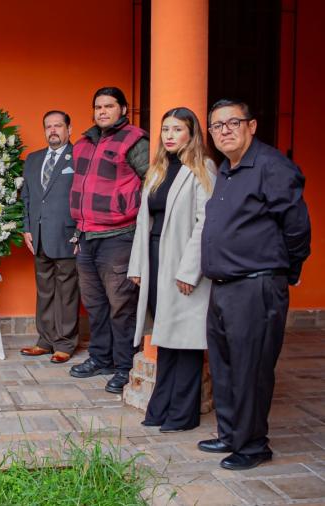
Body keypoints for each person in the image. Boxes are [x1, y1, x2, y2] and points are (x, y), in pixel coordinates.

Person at [198, 99, 311, 471]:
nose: (224, 130)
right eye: (216, 126)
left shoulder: (271, 166)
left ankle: (253, 444)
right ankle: (231, 434)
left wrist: (283, 271)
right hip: (224, 286)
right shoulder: (227, 171)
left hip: (256, 285)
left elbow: (296, 227)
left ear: (252, 125)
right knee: (226, 366)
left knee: (251, 368)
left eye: (233, 122)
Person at [127, 107, 216, 432]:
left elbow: (205, 224)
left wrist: (190, 271)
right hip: (154, 260)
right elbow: (142, 223)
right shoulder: (157, 171)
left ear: (192, 135)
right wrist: (138, 265)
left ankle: (182, 415)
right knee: (165, 338)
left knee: (187, 342)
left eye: (177, 129)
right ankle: (161, 408)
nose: (169, 135)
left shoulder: (202, 169)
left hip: (182, 264)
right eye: (165, 129)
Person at [68, 86, 149, 394]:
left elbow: (151, 181)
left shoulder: (134, 140)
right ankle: (101, 358)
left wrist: (128, 208)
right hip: (86, 234)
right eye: (98, 106)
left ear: (123, 110)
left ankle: (125, 366)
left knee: (121, 305)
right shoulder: (84, 142)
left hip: (119, 235)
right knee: (95, 304)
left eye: (109, 106)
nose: (102, 111)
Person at [20, 110, 80, 364]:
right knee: (44, 289)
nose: (53, 130)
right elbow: (27, 198)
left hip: (67, 236)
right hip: (39, 235)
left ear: (69, 129)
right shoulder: (33, 160)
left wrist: (79, 231)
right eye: (48, 126)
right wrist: (27, 228)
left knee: (67, 290)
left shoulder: (79, 157)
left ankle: (65, 342)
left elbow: (83, 196)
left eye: (58, 126)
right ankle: (45, 340)